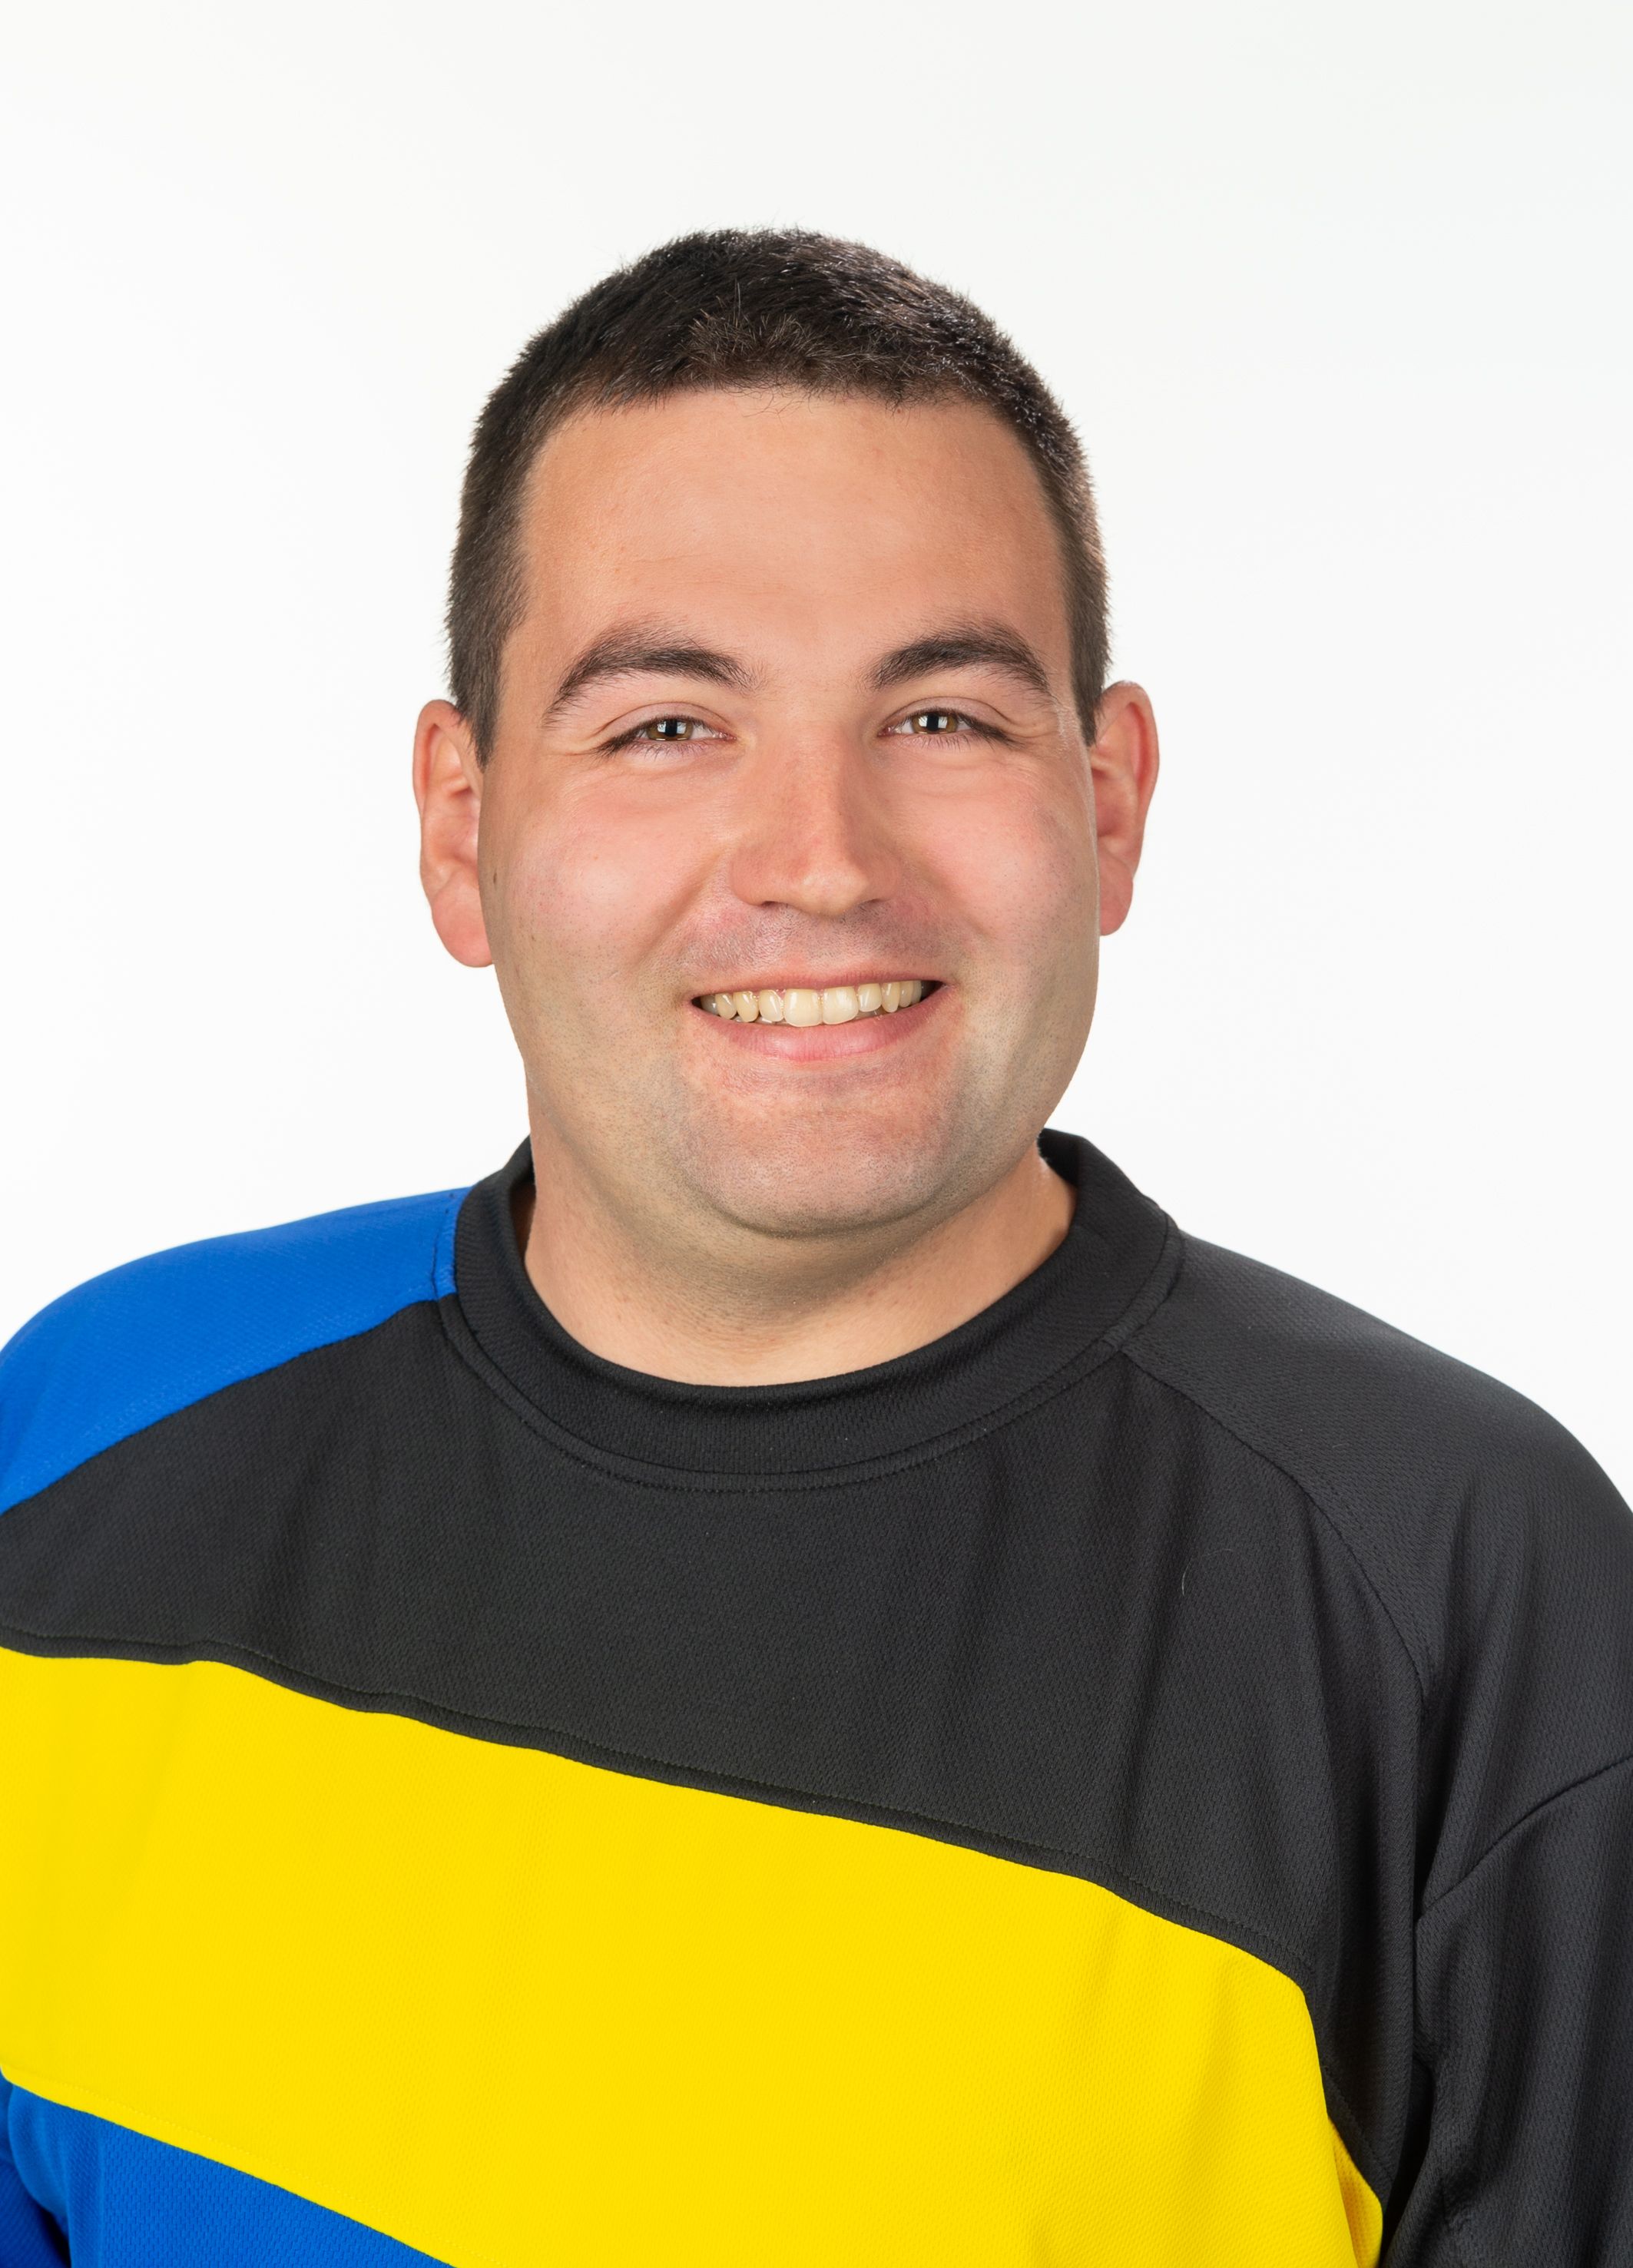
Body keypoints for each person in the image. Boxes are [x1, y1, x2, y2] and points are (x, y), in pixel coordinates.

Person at [1, 228, 1628, 2268]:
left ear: (1111, 803)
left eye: (939, 717)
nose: (823, 863)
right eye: (666, 726)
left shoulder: (1465, 1599)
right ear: (460, 825)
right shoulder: (77, 1451)